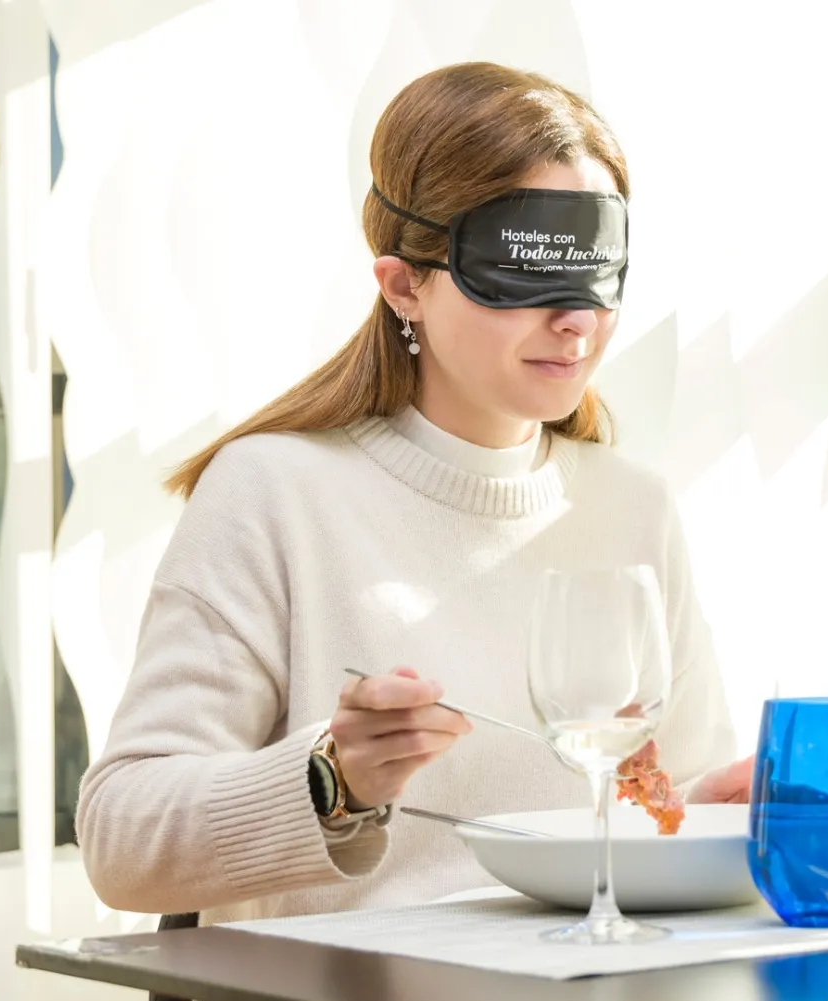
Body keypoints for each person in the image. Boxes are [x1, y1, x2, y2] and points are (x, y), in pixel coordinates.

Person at [76, 61, 750, 925]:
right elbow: (120, 841)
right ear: (404, 285)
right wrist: (332, 777)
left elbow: (663, 801)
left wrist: (711, 813)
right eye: (529, 271)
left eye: (596, 272)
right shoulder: (275, 492)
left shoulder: (634, 509)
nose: (575, 319)